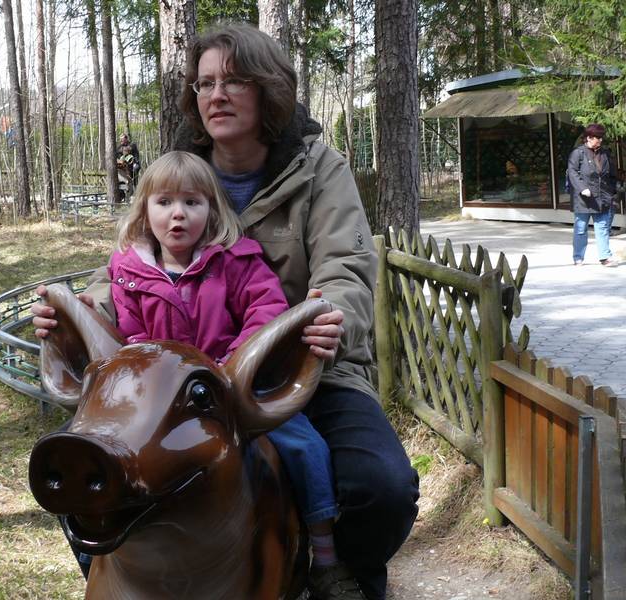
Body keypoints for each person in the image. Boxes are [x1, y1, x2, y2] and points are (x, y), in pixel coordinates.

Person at [34, 23, 419, 600]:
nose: (216, 95)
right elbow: (127, 265)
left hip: (298, 365)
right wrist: (85, 311)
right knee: (88, 464)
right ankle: (113, 578)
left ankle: (343, 577)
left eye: (234, 81)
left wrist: (328, 321)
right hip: (169, 385)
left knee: (380, 487)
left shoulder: (319, 170)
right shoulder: (179, 174)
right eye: (205, 83)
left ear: (268, 89)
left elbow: (345, 267)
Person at [107, 150, 357, 599]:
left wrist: (235, 361)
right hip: (164, 401)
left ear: (212, 209)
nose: (178, 214)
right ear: (144, 209)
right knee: (117, 456)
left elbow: (266, 307)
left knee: (303, 446)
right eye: (164, 202)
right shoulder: (128, 274)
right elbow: (133, 334)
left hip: (234, 386)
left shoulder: (236, 261)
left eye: (192, 202)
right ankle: (110, 556)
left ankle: (324, 554)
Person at [568, 123, 619, 267]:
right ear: (589, 138)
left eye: (601, 138)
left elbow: (612, 174)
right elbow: (572, 172)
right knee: (580, 229)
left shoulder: (605, 153)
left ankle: (605, 257)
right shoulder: (578, 153)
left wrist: (611, 191)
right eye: (598, 137)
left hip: (602, 197)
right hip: (583, 198)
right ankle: (578, 257)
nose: (600, 140)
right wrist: (582, 188)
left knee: (602, 228)